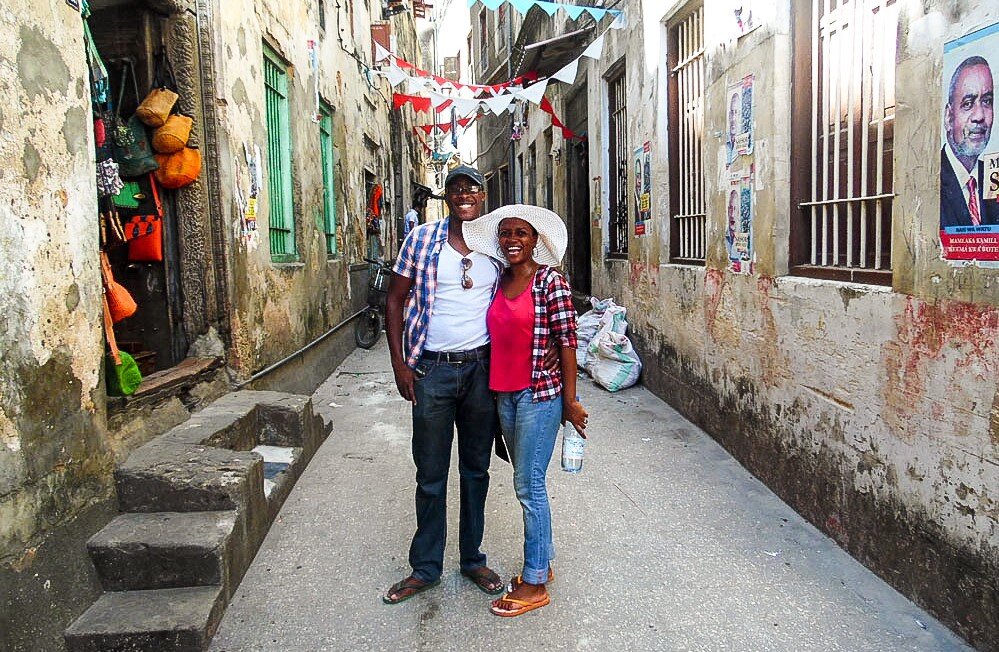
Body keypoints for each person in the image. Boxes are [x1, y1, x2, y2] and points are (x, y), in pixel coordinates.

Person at [382, 165, 508, 604]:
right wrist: (400, 364)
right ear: (448, 197)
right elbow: (394, 300)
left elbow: (525, 291)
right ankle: (425, 568)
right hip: (432, 370)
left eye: (471, 187)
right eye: (456, 189)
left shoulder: (497, 243)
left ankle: (472, 559)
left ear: (483, 194)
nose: (464, 195)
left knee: (476, 470)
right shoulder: (420, 239)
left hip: (481, 371)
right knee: (431, 473)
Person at [464, 204, 589, 618]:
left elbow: (567, 342)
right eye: (506, 233)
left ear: (536, 240)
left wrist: (570, 401)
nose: (512, 240)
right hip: (504, 395)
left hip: (540, 395)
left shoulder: (550, 281)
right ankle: (543, 562)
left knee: (529, 486)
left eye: (521, 233)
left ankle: (534, 583)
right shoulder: (499, 280)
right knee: (528, 482)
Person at [941, 55, 999, 228]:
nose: (980, 116)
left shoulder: (992, 177)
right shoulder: (932, 177)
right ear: (949, 117)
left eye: (987, 101)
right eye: (968, 104)